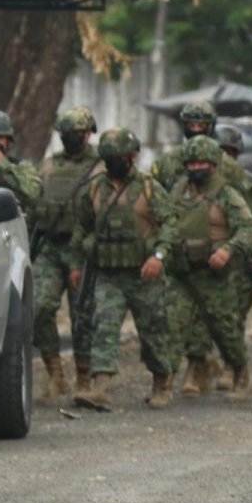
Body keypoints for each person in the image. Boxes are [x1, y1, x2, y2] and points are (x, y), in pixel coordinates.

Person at [73, 128, 177, 411]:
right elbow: (81, 227)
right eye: (111, 158)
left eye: (121, 157)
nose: (117, 163)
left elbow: (170, 225)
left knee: (153, 332)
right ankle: (101, 387)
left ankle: (161, 382)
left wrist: (158, 255)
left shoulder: (149, 188)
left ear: (132, 157)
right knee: (104, 326)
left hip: (144, 274)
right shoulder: (94, 188)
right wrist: (76, 263)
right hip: (108, 274)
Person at [166, 136, 252, 402]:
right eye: (191, 163)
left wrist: (228, 250)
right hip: (181, 272)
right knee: (171, 325)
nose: (196, 168)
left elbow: (247, 227)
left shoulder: (226, 193)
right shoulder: (178, 190)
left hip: (214, 275)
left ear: (214, 165)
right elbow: (164, 220)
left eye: (201, 163)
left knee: (225, 329)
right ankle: (163, 383)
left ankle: (241, 373)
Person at [33, 108, 100, 403]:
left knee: (82, 315)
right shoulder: (49, 165)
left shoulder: (101, 165)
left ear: (89, 133)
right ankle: (55, 375)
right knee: (38, 308)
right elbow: (36, 200)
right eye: (68, 134)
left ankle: (84, 378)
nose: (73, 138)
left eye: (78, 133)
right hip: (50, 246)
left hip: (82, 249)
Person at [153, 100, 218, 192]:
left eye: (201, 126)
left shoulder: (223, 160)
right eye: (191, 126)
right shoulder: (169, 160)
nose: (196, 130)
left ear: (210, 127)